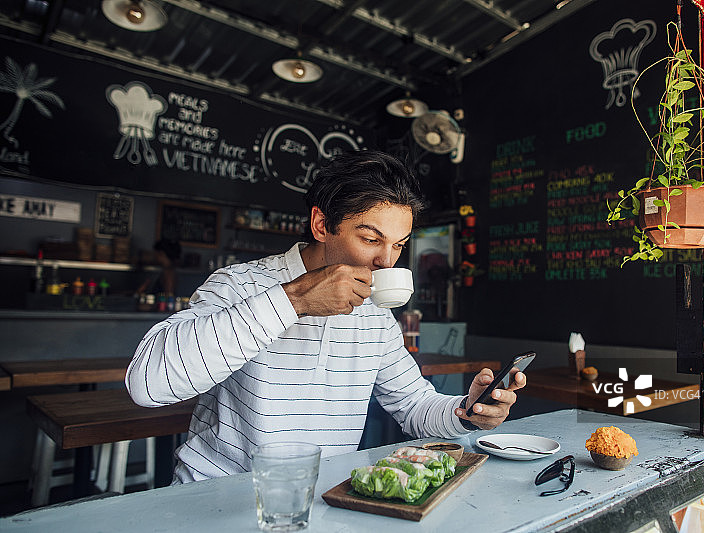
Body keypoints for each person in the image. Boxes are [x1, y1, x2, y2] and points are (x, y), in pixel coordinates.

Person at [126, 150, 527, 483]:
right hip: (215, 500)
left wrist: (469, 411)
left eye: (399, 245)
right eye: (370, 238)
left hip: (317, 499)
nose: (386, 260)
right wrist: (295, 299)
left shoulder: (375, 315)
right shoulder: (240, 284)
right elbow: (148, 385)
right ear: (322, 224)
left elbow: (413, 404)